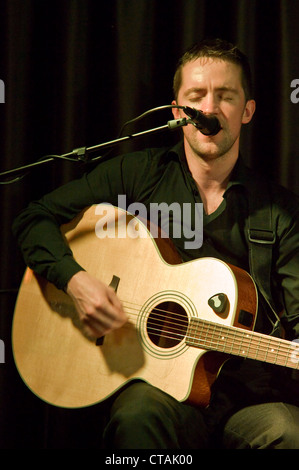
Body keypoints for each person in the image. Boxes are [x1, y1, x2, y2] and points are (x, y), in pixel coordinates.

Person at [13, 38, 299, 449]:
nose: (210, 108)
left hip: (246, 399)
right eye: (196, 96)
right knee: (138, 418)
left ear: (247, 111)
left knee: (289, 435)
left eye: (226, 96)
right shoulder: (138, 175)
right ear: (177, 113)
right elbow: (33, 218)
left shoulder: (280, 211)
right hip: (156, 386)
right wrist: (76, 281)